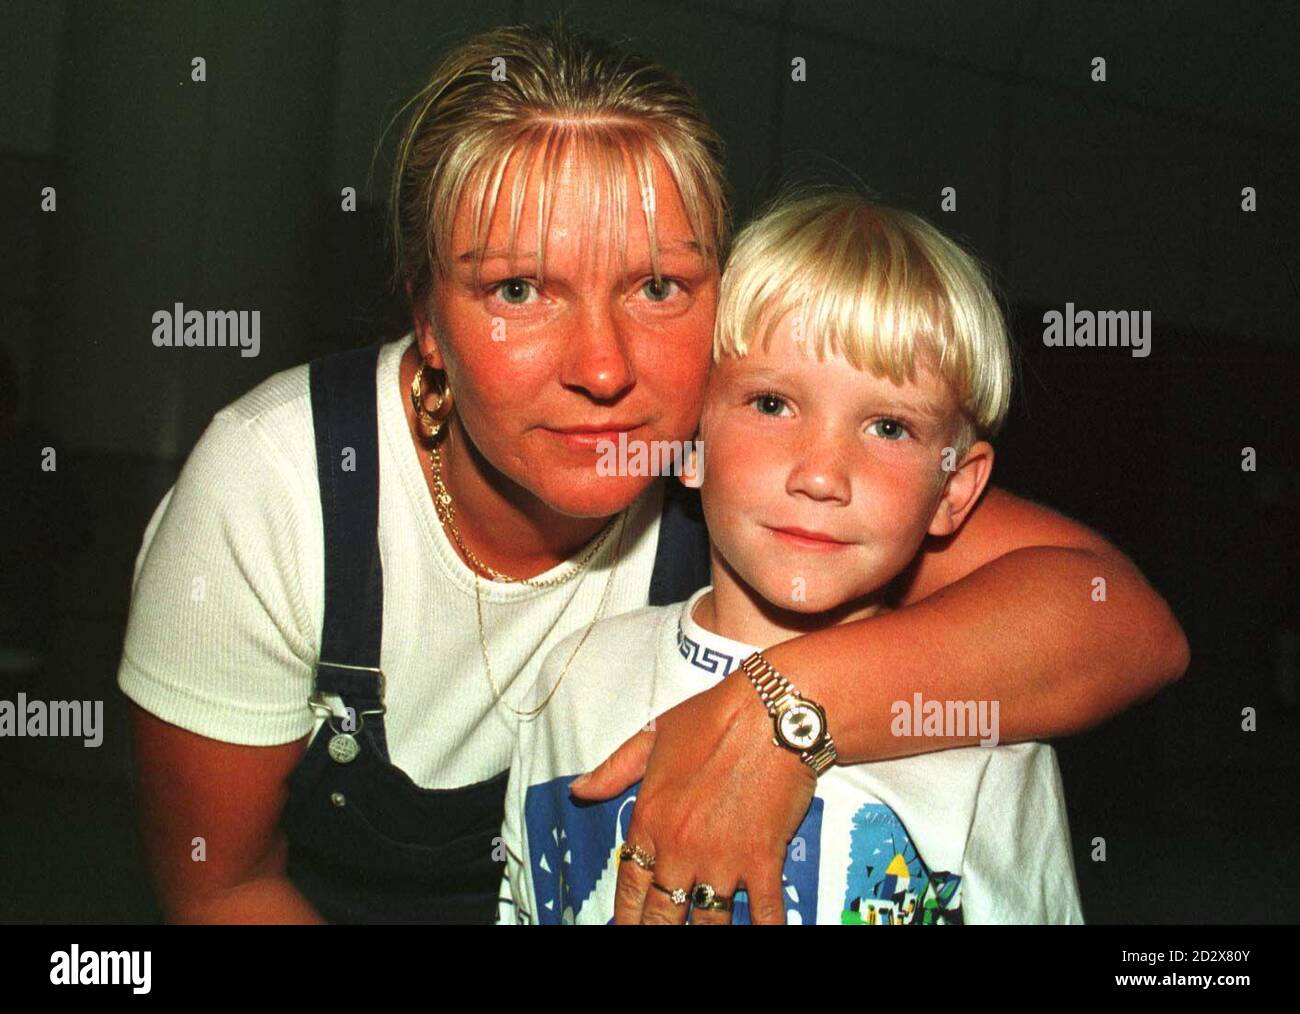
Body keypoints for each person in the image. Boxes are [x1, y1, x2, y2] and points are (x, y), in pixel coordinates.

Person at [118, 22, 1186, 924]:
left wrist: (782, 713)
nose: (603, 367)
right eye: (519, 290)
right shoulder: (278, 485)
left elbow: (1121, 625)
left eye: (661, 288)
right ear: (427, 319)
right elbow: (221, 891)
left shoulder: (736, 467)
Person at [499, 188, 1085, 925]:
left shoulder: (989, 750)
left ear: (954, 490)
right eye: (773, 404)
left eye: (889, 427)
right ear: (689, 440)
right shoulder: (570, 677)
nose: (820, 474)